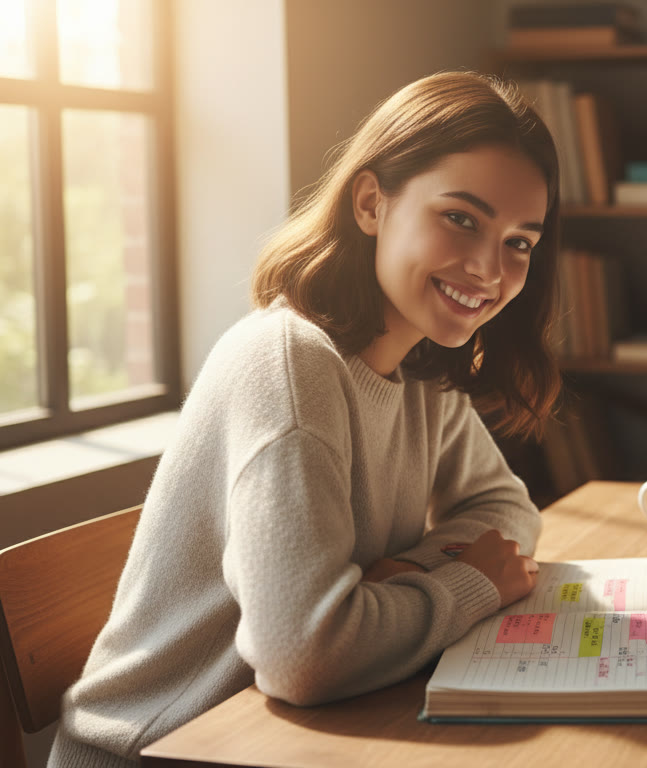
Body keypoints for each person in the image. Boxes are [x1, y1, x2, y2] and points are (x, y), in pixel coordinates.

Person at [49, 71, 562, 768]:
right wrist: (467, 583)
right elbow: (305, 657)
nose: (487, 268)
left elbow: (506, 509)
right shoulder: (291, 365)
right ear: (371, 203)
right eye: (461, 218)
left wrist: (395, 579)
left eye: (519, 243)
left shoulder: (420, 366)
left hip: (284, 739)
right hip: (159, 750)